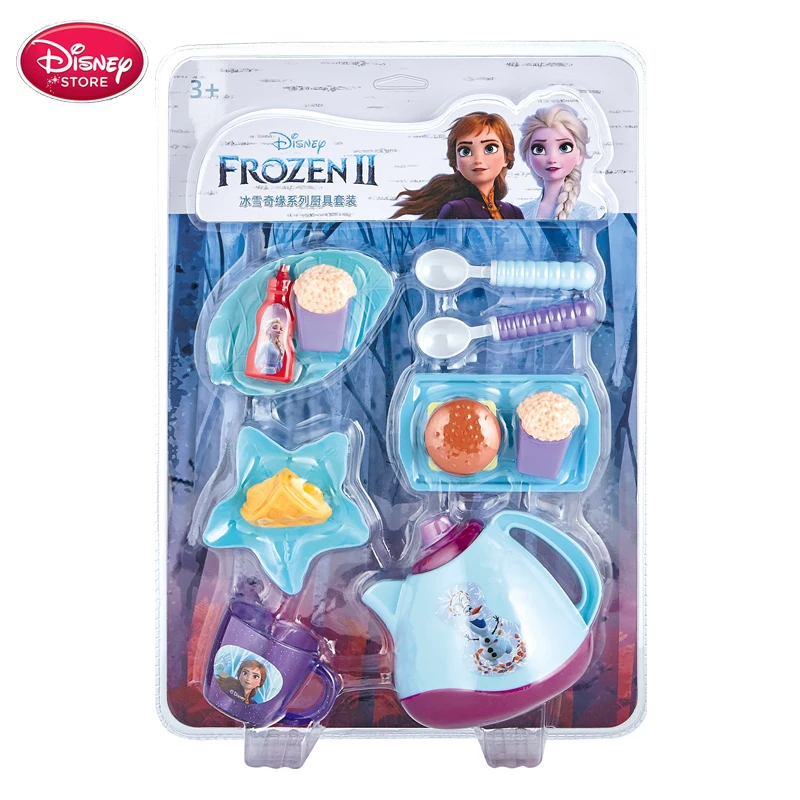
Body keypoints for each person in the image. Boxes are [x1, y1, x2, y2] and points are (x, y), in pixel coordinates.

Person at [392, 112, 523, 220]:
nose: (478, 159)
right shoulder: (457, 209)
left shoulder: (513, 213)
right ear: (456, 162)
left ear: (506, 157)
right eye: (465, 151)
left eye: (490, 148)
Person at [518, 104, 598, 221]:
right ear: (527, 157)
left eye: (564, 148)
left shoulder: (585, 213)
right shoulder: (521, 213)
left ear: (579, 154)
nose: (552, 159)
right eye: (539, 149)